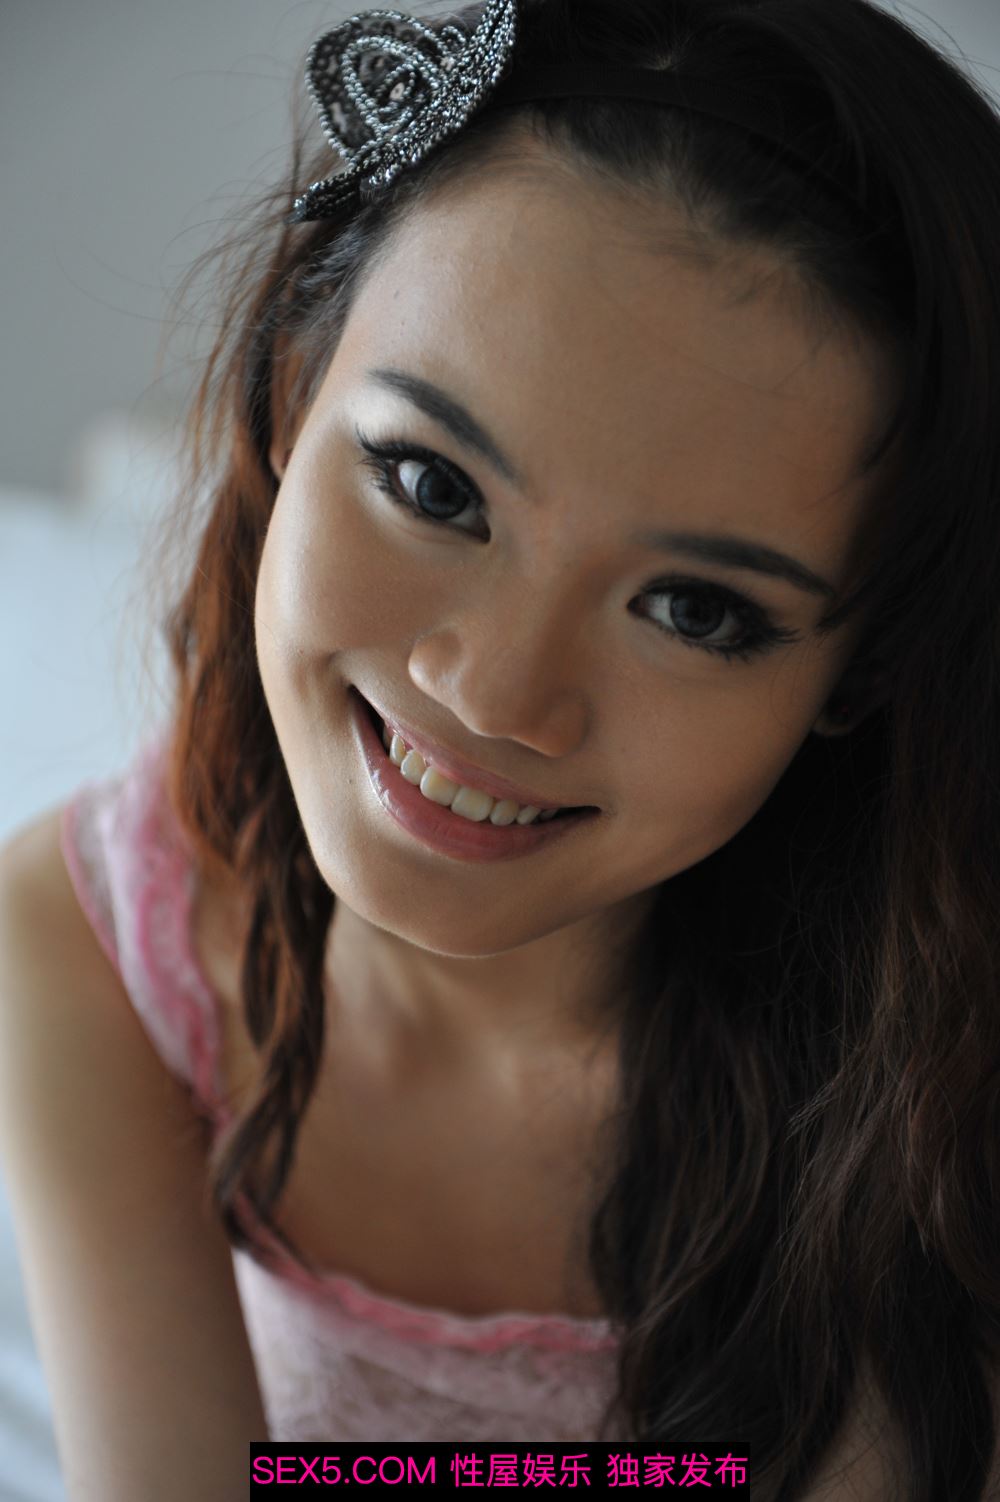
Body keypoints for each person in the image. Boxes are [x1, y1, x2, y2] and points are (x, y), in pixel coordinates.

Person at [2, 0, 1000, 1493]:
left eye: (695, 609)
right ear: (289, 393)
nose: (496, 695)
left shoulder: (939, 1045)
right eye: (432, 484)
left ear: (862, 669)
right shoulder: (86, 946)